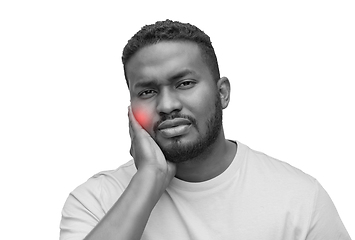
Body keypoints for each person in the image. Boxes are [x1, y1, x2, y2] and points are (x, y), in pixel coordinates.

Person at [60, 20, 351, 240]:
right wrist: (148, 180)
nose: (167, 104)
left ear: (222, 93)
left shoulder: (299, 198)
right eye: (147, 91)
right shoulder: (95, 201)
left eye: (184, 83)